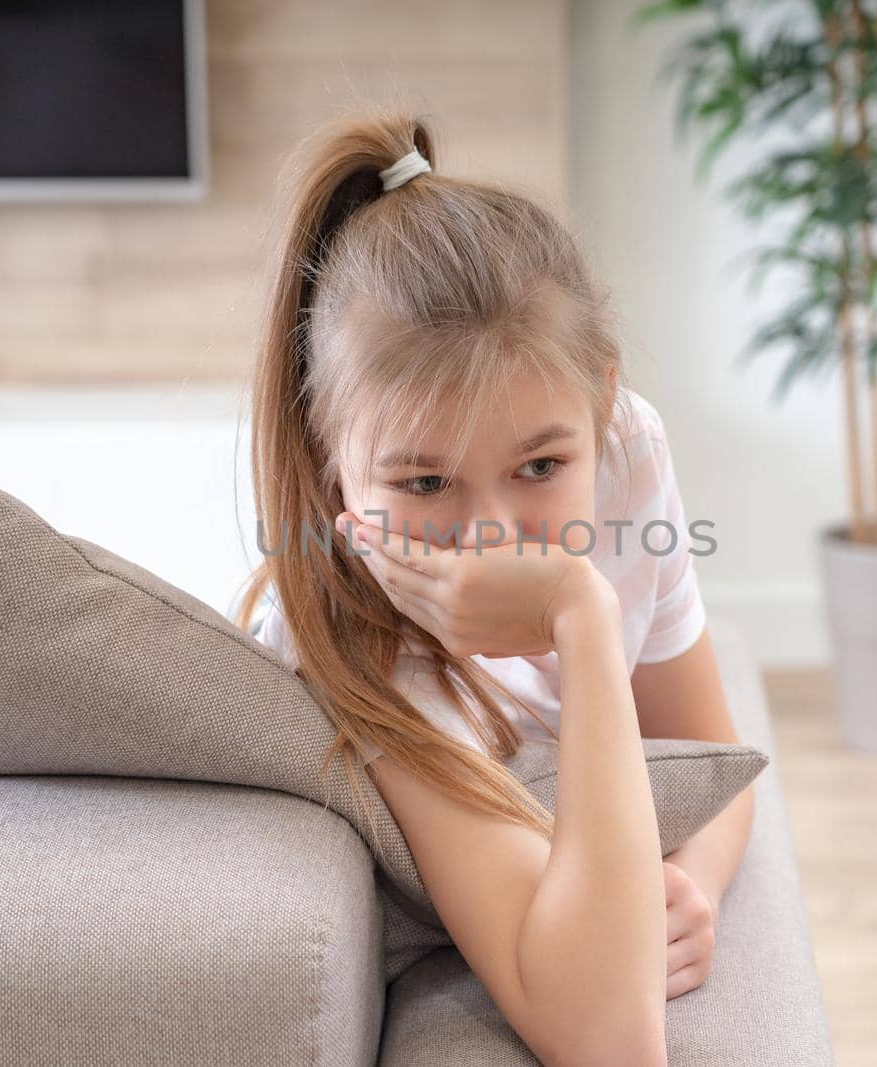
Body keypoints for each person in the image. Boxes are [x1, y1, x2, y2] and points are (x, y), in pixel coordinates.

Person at [232, 103, 755, 1065]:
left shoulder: (625, 446)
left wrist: (699, 877)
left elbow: (713, 755)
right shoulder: (352, 647)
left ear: (600, 401)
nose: (490, 540)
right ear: (330, 456)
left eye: (541, 468)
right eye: (423, 483)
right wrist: (581, 612)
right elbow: (606, 1039)